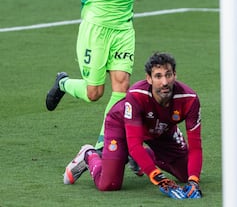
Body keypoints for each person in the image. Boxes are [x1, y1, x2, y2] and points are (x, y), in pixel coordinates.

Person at [16, 0, 218, 150]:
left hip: (123, 29)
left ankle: (105, 142)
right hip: (96, 27)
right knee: (94, 93)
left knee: (121, 85)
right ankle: (63, 83)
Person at [62, 52, 203, 199]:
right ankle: (89, 155)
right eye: (158, 76)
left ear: (175, 75)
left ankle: (143, 157)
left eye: (168, 75)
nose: (164, 82)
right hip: (122, 126)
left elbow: (196, 147)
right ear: (149, 78)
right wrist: (158, 177)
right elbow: (135, 144)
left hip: (161, 130)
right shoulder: (136, 95)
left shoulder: (190, 99)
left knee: (187, 173)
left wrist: (194, 182)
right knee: (109, 184)